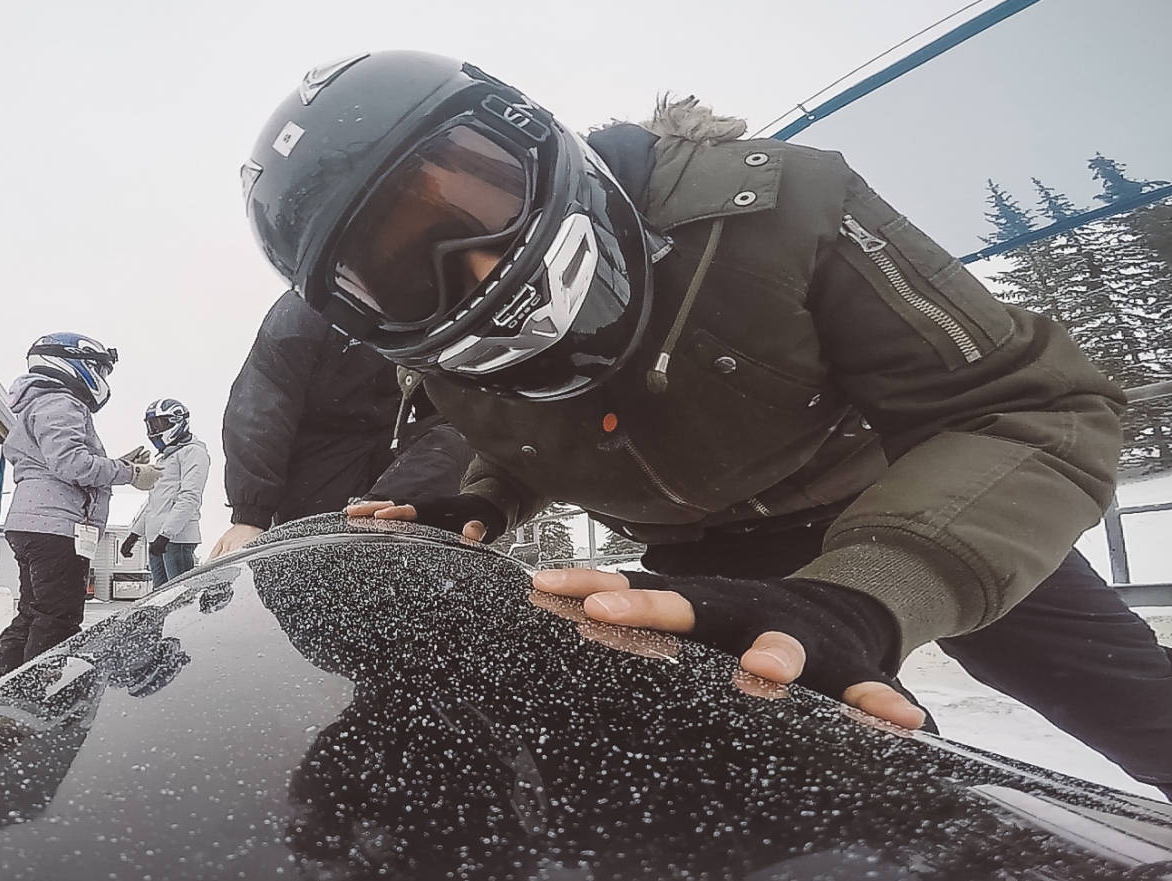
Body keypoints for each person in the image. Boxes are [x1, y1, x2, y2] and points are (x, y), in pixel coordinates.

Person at [241, 51, 1172, 798]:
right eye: (409, 274)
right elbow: (517, 428)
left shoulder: (778, 211)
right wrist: (472, 501)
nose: (479, 270)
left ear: (530, 134)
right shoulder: (445, 364)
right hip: (707, 577)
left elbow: (1028, 401)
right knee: (824, 791)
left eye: (472, 197)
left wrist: (867, 590)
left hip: (922, 506)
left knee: (1145, 714)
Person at [208, 290, 472, 558]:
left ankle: (381, 521)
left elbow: (441, 408)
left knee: (464, 431)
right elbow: (261, 402)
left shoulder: (421, 312)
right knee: (310, 557)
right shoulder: (305, 307)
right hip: (318, 457)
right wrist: (250, 516)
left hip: (388, 454)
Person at [0, 333, 163, 686]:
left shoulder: (42, 402)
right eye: (100, 370)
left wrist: (115, 462)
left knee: (33, 614)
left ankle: (1, 687)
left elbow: (58, 461)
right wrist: (130, 473)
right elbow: (71, 463)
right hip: (55, 526)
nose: (103, 380)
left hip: (36, 522)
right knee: (58, 617)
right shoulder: (60, 402)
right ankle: (39, 692)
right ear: (74, 363)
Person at [124, 399, 210, 587]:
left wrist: (166, 535)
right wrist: (134, 534)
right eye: (151, 426)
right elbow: (154, 501)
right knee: (160, 599)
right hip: (157, 540)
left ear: (177, 421)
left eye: (159, 424)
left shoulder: (193, 452)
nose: (154, 431)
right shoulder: (166, 457)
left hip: (176, 540)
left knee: (180, 598)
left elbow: (190, 497)